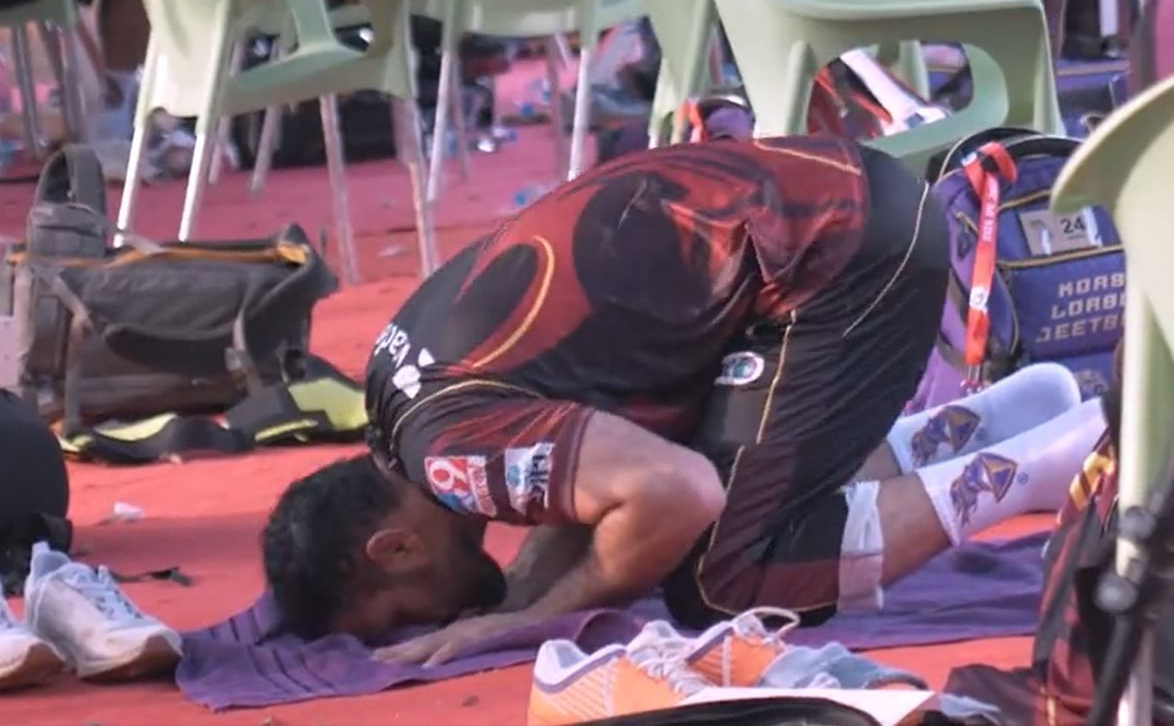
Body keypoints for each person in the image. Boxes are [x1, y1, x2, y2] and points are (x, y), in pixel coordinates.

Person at [260, 136, 1106, 666]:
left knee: (723, 576)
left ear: (395, 547)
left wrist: (529, 618)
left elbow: (679, 493)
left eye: (405, 612)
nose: (437, 617)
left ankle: (1054, 459)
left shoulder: (451, 455)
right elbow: (601, 440)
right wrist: (536, 583)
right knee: (699, 498)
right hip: (834, 209)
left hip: (839, 263)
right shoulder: (395, 385)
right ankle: (1004, 414)